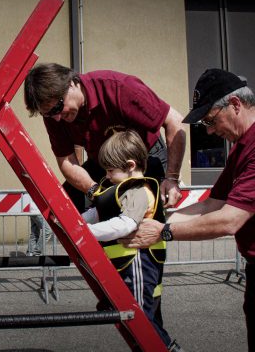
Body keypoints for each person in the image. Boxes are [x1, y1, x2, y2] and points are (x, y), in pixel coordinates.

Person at [123, 69, 255, 352]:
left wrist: (163, 231)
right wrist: (155, 219)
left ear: (235, 104)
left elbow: (230, 219)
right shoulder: (244, 146)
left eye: (210, 120)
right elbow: (213, 203)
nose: (209, 130)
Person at [23, 63, 186, 213]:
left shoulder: (119, 88)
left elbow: (174, 121)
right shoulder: (55, 117)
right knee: (63, 210)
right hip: (102, 163)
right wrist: (95, 191)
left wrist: (172, 178)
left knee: (146, 219)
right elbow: (67, 162)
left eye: (58, 107)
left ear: (71, 83)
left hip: (147, 156)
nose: (57, 118)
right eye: (49, 113)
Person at [81, 130, 180, 351]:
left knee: (140, 318)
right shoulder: (118, 189)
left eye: (110, 170)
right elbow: (98, 213)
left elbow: (126, 224)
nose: (106, 176)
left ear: (130, 165)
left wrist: (86, 232)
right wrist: (75, 222)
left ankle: (166, 348)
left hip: (139, 263)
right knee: (139, 317)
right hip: (128, 265)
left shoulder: (137, 190)